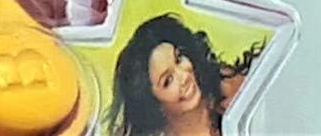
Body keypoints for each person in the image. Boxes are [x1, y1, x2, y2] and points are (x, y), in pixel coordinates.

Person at [107, 15, 263, 136]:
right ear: (153, 104)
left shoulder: (227, 85)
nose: (184, 77)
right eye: (168, 81)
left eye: (179, 59)